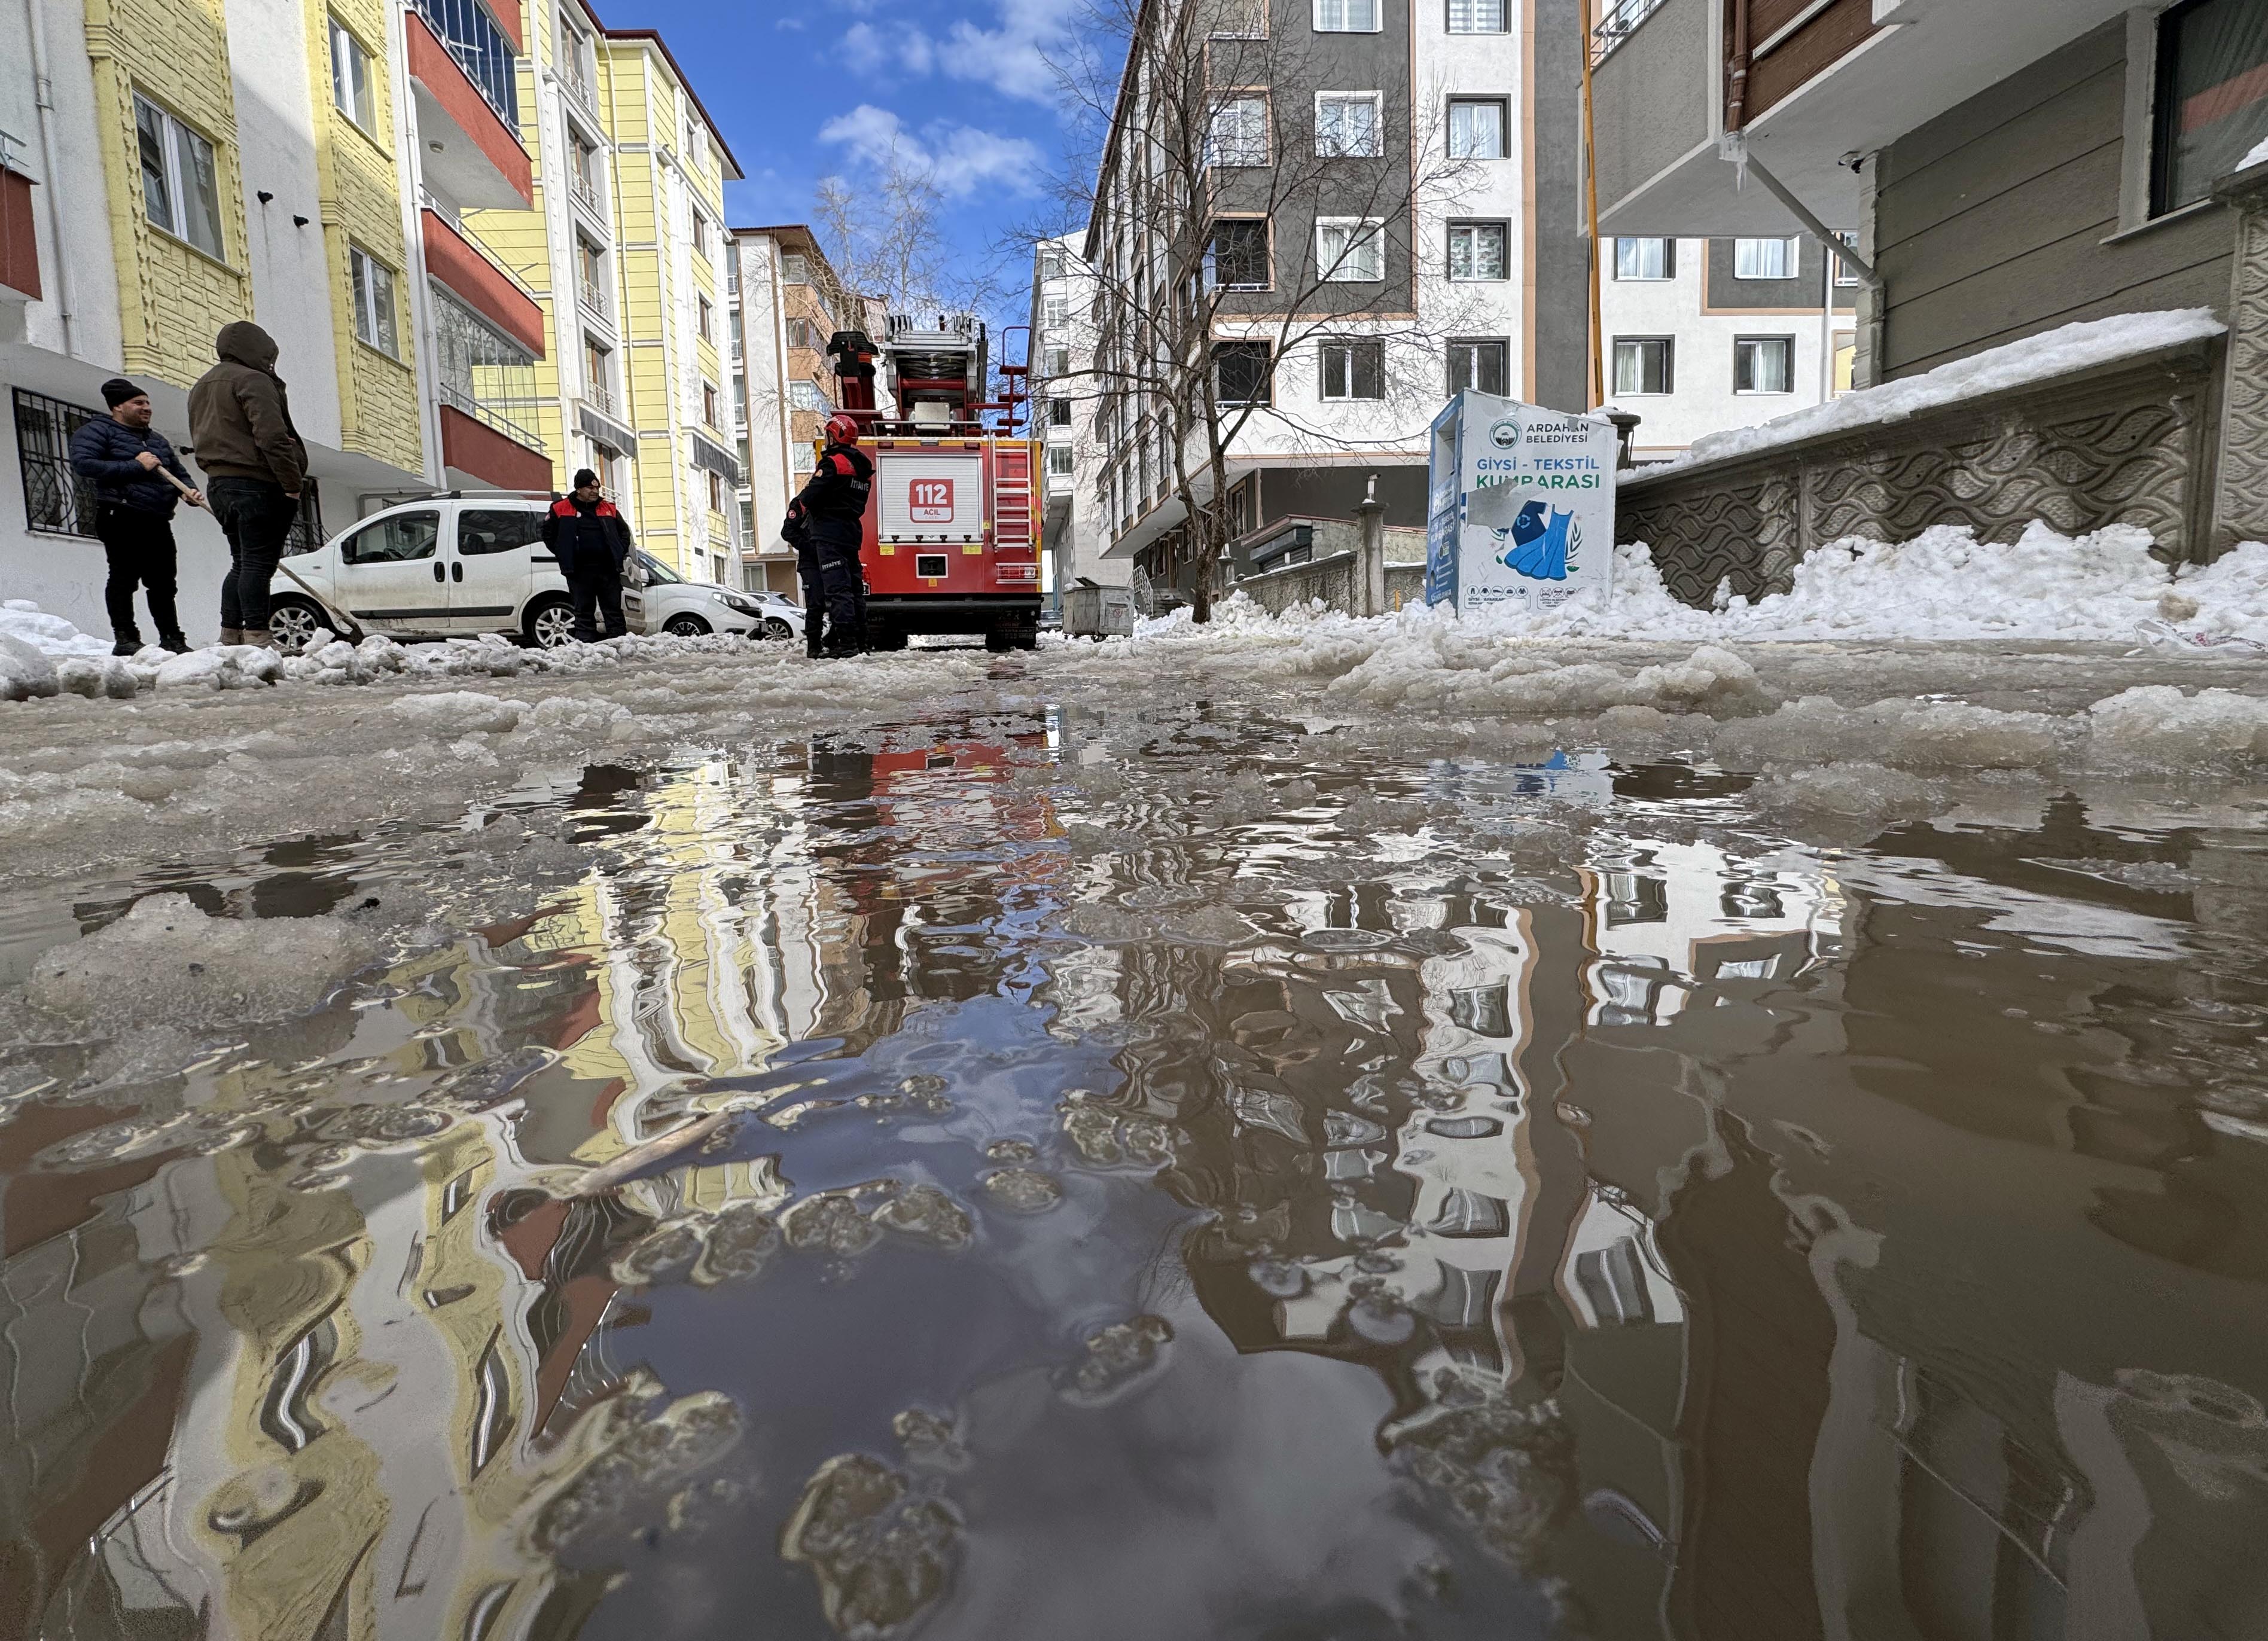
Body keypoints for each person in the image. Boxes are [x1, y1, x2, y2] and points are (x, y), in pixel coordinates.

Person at [187, 321, 307, 647]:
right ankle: (258, 635)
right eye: (269, 357)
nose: (271, 364)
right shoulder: (254, 380)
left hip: (219, 484)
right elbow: (271, 435)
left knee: (241, 561)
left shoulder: (203, 384)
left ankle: (231, 632)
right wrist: (292, 483)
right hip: (257, 483)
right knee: (258, 563)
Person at [68, 378, 200, 655]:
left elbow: (178, 471)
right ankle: (126, 638)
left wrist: (189, 491)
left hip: (157, 518)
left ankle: (172, 638)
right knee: (124, 578)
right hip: (121, 514)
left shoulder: (156, 440)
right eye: (138, 403)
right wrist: (135, 466)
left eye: (148, 403)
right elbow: (84, 464)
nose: (147, 408)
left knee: (164, 582)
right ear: (117, 407)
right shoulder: (97, 431)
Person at [794, 411, 871, 657]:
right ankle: (861, 642)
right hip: (850, 533)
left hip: (829, 534)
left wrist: (803, 506)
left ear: (835, 435)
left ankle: (846, 644)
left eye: (828, 434)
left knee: (838, 591)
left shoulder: (833, 463)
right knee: (854, 591)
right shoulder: (862, 466)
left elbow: (811, 495)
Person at [543, 468, 633, 641]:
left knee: (613, 609)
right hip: (579, 570)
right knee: (583, 609)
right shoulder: (560, 508)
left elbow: (624, 533)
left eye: (597, 488)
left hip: (607, 569)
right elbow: (548, 535)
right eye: (590, 488)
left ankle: (619, 644)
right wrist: (564, 553)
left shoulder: (608, 508)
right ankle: (586, 646)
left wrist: (618, 551)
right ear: (579, 489)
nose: (595, 492)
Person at [781, 496, 825, 658]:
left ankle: (834, 641)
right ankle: (814, 646)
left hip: (831, 557)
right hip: (811, 563)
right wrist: (809, 547)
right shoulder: (802, 502)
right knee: (815, 605)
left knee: (839, 603)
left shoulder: (834, 498)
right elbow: (787, 532)